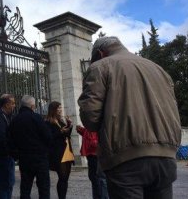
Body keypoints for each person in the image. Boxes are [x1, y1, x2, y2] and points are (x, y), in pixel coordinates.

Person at [77, 36, 182, 199]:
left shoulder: (100, 67)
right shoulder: (158, 69)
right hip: (166, 156)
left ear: (100, 53)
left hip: (126, 157)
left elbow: (90, 117)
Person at [8, 95, 52, 199]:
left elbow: (10, 140)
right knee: (44, 187)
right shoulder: (36, 117)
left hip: (24, 158)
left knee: (25, 187)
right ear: (32, 106)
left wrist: (16, 155)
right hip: (40, 157)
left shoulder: (15, 120)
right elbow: (48, 136)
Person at [45, 101, 74, 199]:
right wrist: (60, 132)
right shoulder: (48, 122)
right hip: (57, 153)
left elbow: (66, 135)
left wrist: (70, 126)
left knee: (65, 178)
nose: (60, 110)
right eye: (58, 108)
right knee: (62, 177)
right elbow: (49, 138)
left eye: (61, 108)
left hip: (67, 151)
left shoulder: (61, 121)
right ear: (53, 110)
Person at [76, 124, 109, 199]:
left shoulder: (95, 124)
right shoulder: (91, 125)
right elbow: (88, 134)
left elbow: (94, 141)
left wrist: (92, 141)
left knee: (99, 179)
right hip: (92, 154)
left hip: (95, 154)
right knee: (95, 179)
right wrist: (82, 130)